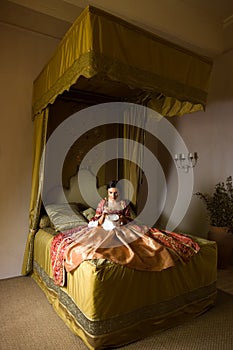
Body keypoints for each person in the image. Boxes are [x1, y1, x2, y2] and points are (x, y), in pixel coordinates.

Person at [51, 180, 200, 286]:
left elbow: (128, 218)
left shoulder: (123, 203)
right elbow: (96, 219)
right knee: (96, 245)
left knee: (148, 239)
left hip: (122, 227)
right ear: (107, 192)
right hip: (105, 228)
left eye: (116, 193)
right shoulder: (103, 203)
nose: (113, 196)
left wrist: (122, 219)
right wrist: (103, 215)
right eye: (111, 193)